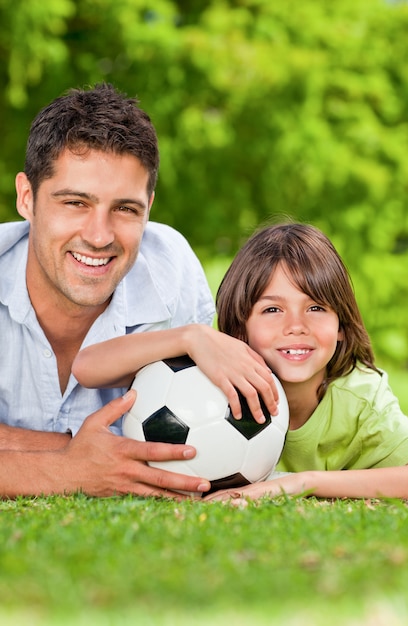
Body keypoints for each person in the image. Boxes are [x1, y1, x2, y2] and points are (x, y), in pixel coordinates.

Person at [0, 82, 277, 499]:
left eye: (125, 209)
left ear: (149, 207)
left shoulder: (172, 271)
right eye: (75, 203)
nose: (98, 236)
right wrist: (68, 467)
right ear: (27, 197)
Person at [74, 222, 408, 501]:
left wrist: (301, 483)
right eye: (272, 309)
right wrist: (189, 337)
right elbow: (87, 367)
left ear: (340, 326)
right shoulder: (208, 377)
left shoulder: (360, 395)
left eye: (316, 308)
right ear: (240, 329)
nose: (296, 326)